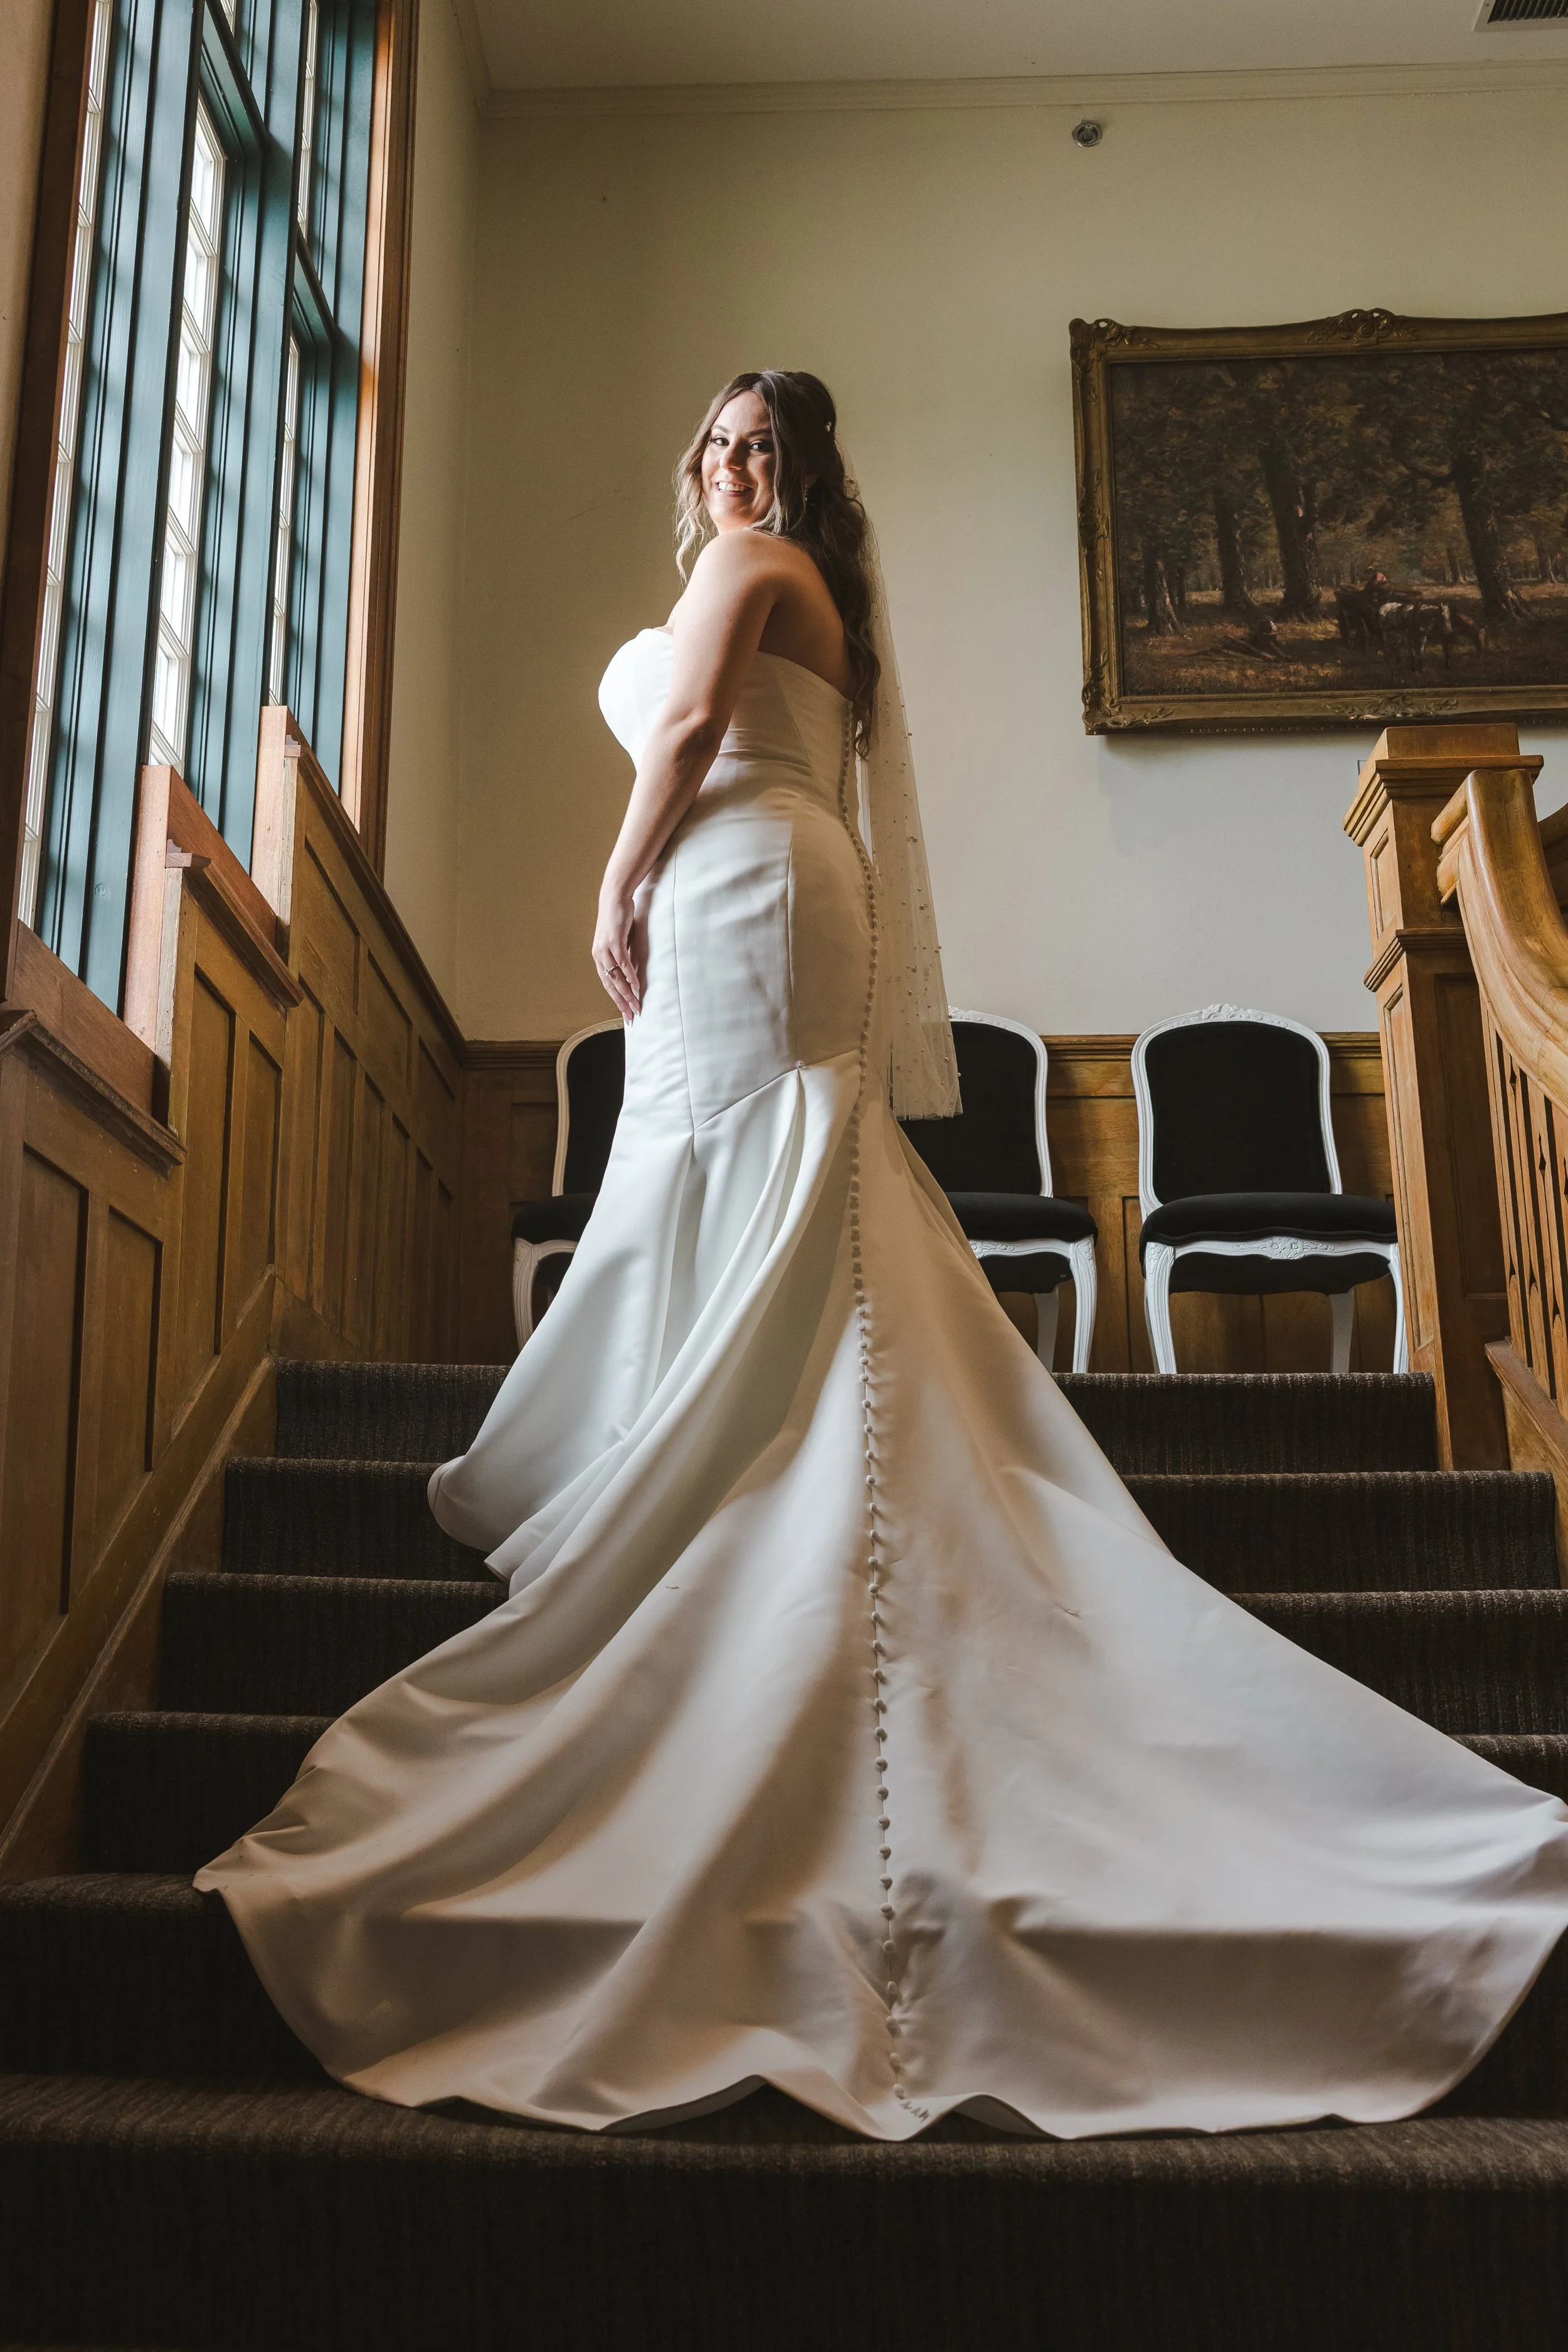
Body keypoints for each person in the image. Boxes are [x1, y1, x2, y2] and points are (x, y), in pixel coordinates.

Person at [198, 371, 1568, 2142]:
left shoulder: (753, 566)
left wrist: (613, 884)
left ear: (801, 475)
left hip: (737, 879)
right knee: (770, 1186)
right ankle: (737, 1464)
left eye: (762, 446)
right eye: (712, 441)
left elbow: (688, 724)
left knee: (773, 1183)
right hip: (777, 880)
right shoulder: (807, 585)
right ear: (689, 459)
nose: (733, 465)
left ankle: (762, 1491)